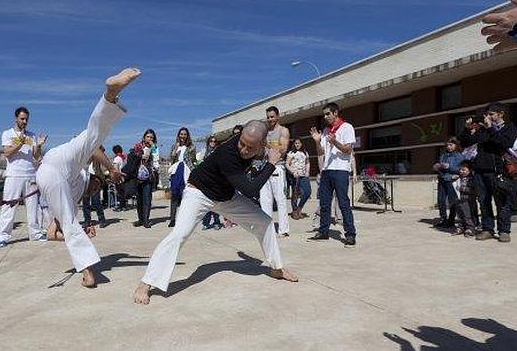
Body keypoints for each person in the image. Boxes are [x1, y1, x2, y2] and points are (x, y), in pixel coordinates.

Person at [134, 120, 298, 305]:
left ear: (261, 144)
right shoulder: (228, 154)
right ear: (240, 135)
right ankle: (147, 282)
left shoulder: (260, 143)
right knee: (179, 234)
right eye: (241, 143)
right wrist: (271, 164)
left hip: (225, 197)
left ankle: (276, 268)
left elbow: (274, 143)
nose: (243, 149)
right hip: (199, 193)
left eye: (249, 147)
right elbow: (251, 190)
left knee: (265, 222)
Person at [35, 67, 138, 288]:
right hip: (54, 166)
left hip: (58, 168)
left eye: (94, 190)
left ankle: (110, 95)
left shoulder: (70, 196)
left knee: (94, 134)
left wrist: (80, 233)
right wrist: (111, 167)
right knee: (92, 139)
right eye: (95, 186)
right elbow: (94, 151)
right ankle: (88, 271)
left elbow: (52, 234)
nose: (93, 190)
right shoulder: (81, 176)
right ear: (93, 179)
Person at [458, 103, 517, 243]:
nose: (488, 117)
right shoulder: (483, 130)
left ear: (501, 114)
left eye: (491, 114)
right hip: (480, 170)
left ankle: (504, 231)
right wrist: (467, 129)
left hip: (498, 171)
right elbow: (465, 142)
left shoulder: (510, 128)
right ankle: (488, 229)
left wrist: (491, 128)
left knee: (501, 203)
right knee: (484, 201)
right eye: (487, 114)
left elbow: (504, 143)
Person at [0, 107, 46, 246]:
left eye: (26, 119)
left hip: (30, 174)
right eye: (22, 119)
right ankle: (3, 236)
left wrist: (40, 146)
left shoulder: (32, 135)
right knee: (9, 205)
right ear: (16, 118)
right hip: (14, 175)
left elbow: (36, 156)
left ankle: (35, 233)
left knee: (33, 207)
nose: (24, 121)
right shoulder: (7, 134)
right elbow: (7, 153)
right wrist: (20, 142)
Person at [309, 103, 357, 247]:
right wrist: (317, 142)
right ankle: (323, 232)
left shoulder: (347, 127)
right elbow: (321, 152)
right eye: (324, 114)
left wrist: (334, 141)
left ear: (335, 113)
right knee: (324, 203)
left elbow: (348, 149)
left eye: (327, 114)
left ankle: (350, 234)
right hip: (327, 171)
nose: (325, 117)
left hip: (341, 170)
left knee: (343, 203)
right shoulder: (325, 130)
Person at [259, 106, 291, 237]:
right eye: (268, 117)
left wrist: (267, 144)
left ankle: (283, 230)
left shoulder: (283, 130)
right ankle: (268, 229)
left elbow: (283, 149)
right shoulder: (265, 132)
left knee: (280, 200)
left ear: (277, 116)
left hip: (277, 167)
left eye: (272, 116)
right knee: (265, 201)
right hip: (264, 167)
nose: (270, 119)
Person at [168, 127, 197, 228]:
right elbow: (171, 158)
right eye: (181, 134)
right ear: (178, 135)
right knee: (174, 195)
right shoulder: (174, 146)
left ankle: (184, 219)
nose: (183, 136)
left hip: (186, 170)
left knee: (185, 195)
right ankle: (172, 219)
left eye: (185, 134)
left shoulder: (191, 147)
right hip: (176, 170)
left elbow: (193, 160)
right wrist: (175, 150)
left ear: (187, 136)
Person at [433, 137, 464, 229]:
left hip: (452, 181)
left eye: (451, 145)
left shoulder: (459, 156)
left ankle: (451, 220)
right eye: (447, 145)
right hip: (442, 180)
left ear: (456, 145)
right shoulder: (443, 155)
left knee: (453, 201)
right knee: (441, 200)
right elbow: (440, 168)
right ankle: (443, 219)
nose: (449, 147)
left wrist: (449, 168)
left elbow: (462, 169)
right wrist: (437, 167)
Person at [132, 129, 157, 228]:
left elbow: (156, 158)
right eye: (148, 137)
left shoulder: (154, 147)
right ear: (144, 137)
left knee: (147, 198)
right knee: (139, 199)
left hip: (149, 176)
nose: (150, 139)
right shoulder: (138, 146)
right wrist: (142, 155)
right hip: (138, 176)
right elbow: (135, 157)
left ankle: (146, 220)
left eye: (152, 137)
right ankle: (140, 219)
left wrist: (153, 148)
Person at [199, 136, 223, 230]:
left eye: (214, 141)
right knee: (206, 202)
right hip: (206, 179)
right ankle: (206, 222)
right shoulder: (204, 151)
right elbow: (200, 162)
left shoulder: (219, 152)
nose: (213, 143)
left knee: (215, 202)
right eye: (211, 141)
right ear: (208, 142)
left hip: (216, 179)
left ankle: (217, 222)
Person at [287, 138, 311, 220]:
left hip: (304, 176)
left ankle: (299, 208)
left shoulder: (305, 153)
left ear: (301, 144)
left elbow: (307, 162)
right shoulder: (291, 153)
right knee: (295, 194)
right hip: (295, 176)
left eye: (298, 143)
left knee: (307, 192)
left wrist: (307, 171)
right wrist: (293, 171)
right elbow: (287, 164)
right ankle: (294, 211)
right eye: (296, 143)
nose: (297, 145)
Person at [452, 161, 477, 237]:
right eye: (460, 169)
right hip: (459, 200)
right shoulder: (459, 178)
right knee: (460, 215)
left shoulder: (472, 179)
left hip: (468, 200)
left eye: (464, 170)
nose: (461, 171)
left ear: (469, 170)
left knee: (467, 215)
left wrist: (461, 188)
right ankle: (461, 227)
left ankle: (470, 229)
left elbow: (473, 190)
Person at [82, 156, 107, 229]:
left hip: (95, 181)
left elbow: (103, 168)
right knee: (85, 203)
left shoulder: (97, 158)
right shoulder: (83, 159)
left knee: (96, 202)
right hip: (85, 182)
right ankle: (87, 220)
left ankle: (102, 219)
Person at [112, 145, 128, 211]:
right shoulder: (123, 158)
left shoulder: (116, 159)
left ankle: (120, 207)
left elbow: (116, 170)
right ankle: (124, 206)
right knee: (123, 193)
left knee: (119, 193)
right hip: (124, 178)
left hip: (119, 177)